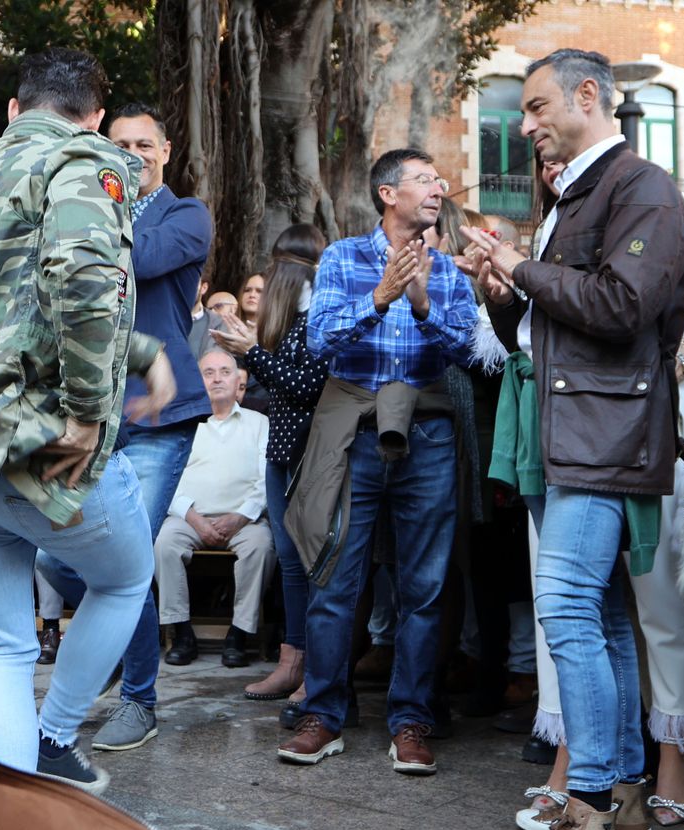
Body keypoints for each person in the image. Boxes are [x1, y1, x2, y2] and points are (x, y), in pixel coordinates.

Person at [461, 48, 684, 830]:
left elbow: (623, 308)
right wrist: (501, 283)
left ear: (588, 96)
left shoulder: (644, 190)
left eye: (534, 108)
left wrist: (520, 265)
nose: (524, 127)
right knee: (594, 615)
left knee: (565, 607)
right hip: (579, 430)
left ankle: (588, 817)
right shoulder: (584, 193)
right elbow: (545, 323)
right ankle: (622, 798)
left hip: (604, 434)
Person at [0, 48, 176, 794]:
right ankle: (57, 737)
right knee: (128, 577)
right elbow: (83, 279)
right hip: (38, 446)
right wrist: (86, 413)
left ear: (13, 108)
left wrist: (139, 350)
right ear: (96, 118)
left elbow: (7, 307)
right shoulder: (85, 162)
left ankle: (7, 812)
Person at [277, 147, 476, 778]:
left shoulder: (446, 271)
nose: (437, 187)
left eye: (438, 179)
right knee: (336, 577)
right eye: (422, 179)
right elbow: (319, 341)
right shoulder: (342, 258)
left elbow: (469, 353)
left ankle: (411, 720)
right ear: (388, 194)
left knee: (424, 586)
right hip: (355, 433)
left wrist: (420, 302)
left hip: (428, 434)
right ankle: (324, 713)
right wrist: (381, 297)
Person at [34, 100, 214, 757]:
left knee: (126, 556)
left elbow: (134, 262)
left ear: (165, 152)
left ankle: (139, 700)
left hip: (161, 414)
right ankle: (117, 630)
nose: (133, 153)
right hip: (87, 412)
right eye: (120, 143)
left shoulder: (185, 215)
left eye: (145, 144)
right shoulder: (90, 211)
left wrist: (77, 223)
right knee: (54, 555)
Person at [210, 223, 328, 703]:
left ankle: (316, 671)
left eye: (278, 264)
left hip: (309, 454)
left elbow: (308, 386)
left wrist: (252, 353)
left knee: (312, 563)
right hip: (281, 451)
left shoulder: (321, 314)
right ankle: (290, 661)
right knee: (291, 564)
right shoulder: (287, 320)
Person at [152, 350, 272, 666]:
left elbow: (266, 479)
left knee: (261, 546)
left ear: (238, 381)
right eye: (208, 372)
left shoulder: (259, 423)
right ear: (197, 380)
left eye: (224, 371)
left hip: (243, 519)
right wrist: (192, 516)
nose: (217, 378)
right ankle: (181, 632)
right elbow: (169, 478)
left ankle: (239, 632)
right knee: (164, 543)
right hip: (189, 517)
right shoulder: (184, 424)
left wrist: (241, 516)